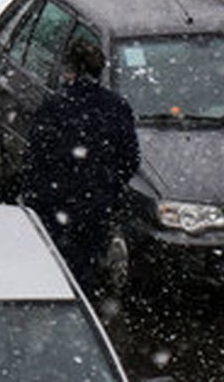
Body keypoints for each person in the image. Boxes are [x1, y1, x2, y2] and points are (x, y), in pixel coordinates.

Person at [19, 38, 139, 295]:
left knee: (60, 268)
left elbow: (35, 158)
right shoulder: (116, 107)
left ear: (69, 70)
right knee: (86, 263)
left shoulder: (54, 106)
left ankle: (65, 302)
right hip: (95, 205)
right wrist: (109, 189)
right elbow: (130, 159)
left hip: (57, 203)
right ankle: (84, 306)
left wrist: (37, 196)